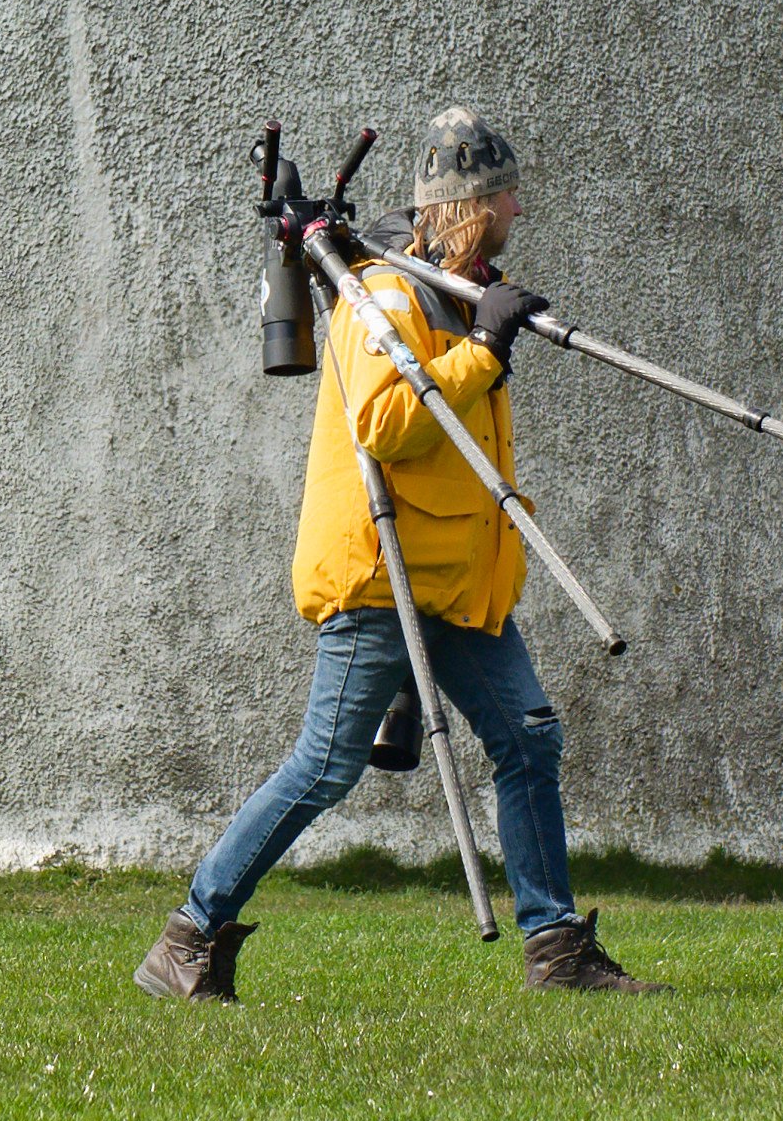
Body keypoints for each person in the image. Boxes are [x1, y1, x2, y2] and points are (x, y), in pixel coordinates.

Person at [136, 106, 667, 1002]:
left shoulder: (449, 293)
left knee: (529, 740)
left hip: (453, 583)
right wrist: (486, 349)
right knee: (326, 765)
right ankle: (191, 934)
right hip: (383, 576)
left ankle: (556, 947)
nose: (518, 212)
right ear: (472, 205)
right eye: (506, 197)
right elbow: (386, 423)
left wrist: (484, 332)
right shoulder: (384, 296)